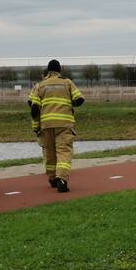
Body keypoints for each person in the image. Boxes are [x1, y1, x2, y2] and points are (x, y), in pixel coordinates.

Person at [28, 60, 84, 193]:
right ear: (59, 70)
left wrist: (36, 127)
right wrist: (69, 103)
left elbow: (34, 108)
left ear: (48, 71)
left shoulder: (40, 85)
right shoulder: (67, 82)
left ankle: (52, 178)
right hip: (64, 124)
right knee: (64, 152)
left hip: (46, 125)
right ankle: (62, 180)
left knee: (50, 153)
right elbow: (80, 100)